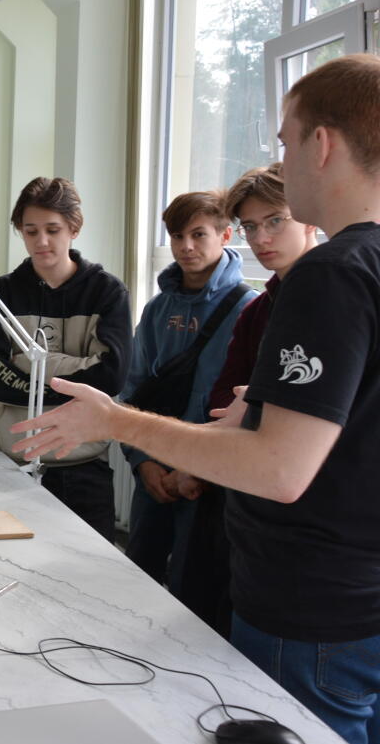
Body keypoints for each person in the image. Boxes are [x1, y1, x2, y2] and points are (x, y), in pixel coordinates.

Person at [11, 54, 380, 744]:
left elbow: (279, 469)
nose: (282, 161)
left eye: (285, 142)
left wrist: (115, 420)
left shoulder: (330, 274)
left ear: (322, 144)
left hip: (312, 606)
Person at [172, 164, 318, 635]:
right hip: (239, 488)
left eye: (275, 220)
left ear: (308, 216)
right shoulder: (257, 310)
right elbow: (223, 395)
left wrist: (255, 402)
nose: (261, 238)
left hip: (306, 513)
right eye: (251, 227)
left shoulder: (334, 296)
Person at [0, 177, 131, 541]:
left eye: (52, 230)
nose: (41, 241)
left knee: (91, 568)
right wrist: (75, 381)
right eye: (30, 231)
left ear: (74, 228)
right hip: (11, 465)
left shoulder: (108, 292)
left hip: (84, 467)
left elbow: (112, 377)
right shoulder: (2, 291)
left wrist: (28, 362)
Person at [119, 191, 254, 591]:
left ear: (225, 235)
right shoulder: (157, 309)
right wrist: (142, 461)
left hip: (211, 478)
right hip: (154, 468)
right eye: (178, 236)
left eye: (198, 234)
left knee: (194, 587)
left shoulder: (249, 309)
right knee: (137, 576)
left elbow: (245, 407)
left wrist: (196, 468)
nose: (186, 246)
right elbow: (134, 388)